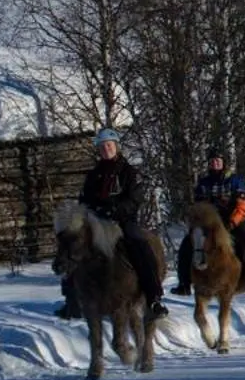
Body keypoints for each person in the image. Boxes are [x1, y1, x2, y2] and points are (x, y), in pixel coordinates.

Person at [57, 126, 169, 323]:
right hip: (96, 221)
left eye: (109, 145)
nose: (106, 149)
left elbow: (135, 198)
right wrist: (89, 211)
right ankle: (71, 298)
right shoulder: (93, 174)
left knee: (140, 246)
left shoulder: (129, 172)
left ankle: (153, 299)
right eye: (102, 146)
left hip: (122, 221)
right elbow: (84, 199)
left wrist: (115, 209)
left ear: (116, 146)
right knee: (73, 243)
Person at [172, 149, 245, 294]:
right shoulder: (203, 183)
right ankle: (184, 283)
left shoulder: (235, 180)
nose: (215, 163)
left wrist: (232, 222)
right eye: (212, 161)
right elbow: (198, 206)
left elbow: (242, 205)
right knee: (186, 245)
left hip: (231, 221)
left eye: (218, 161)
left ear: (223, 163)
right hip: (209, 224)